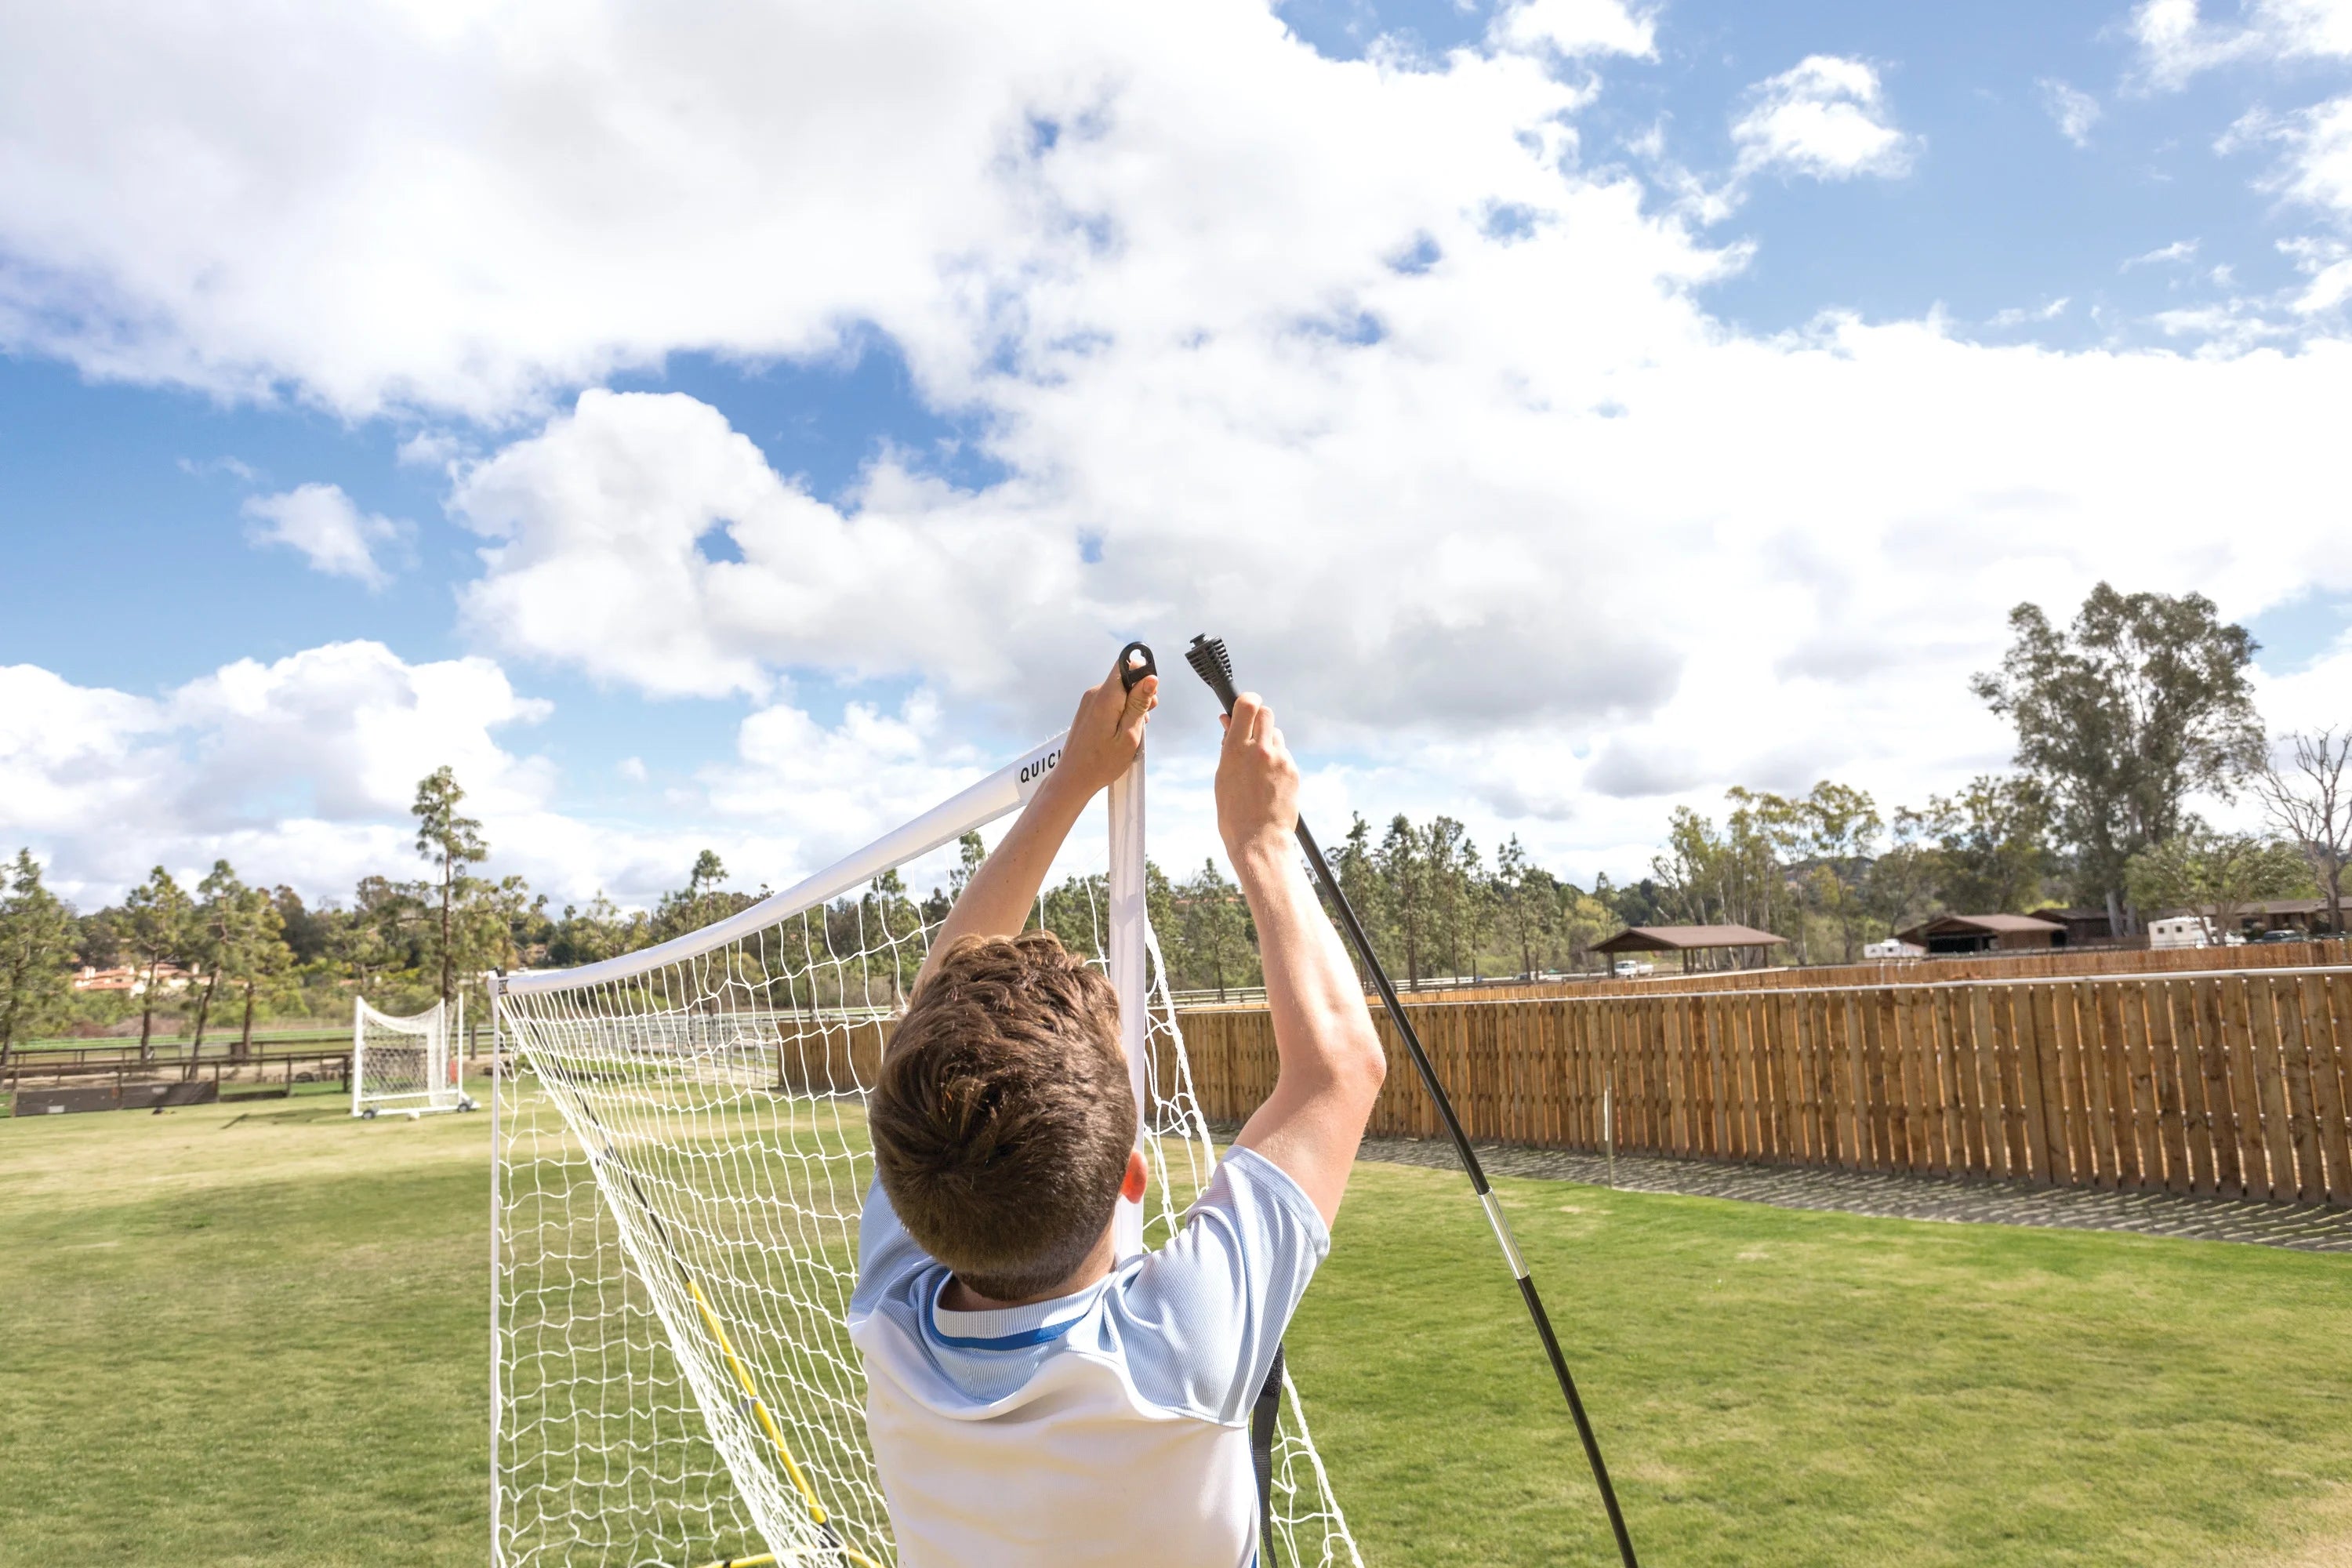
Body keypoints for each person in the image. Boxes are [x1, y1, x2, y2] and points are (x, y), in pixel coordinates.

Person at [848, 653, 1387, 1567]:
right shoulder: (1174, 1356)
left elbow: (1336, 1068)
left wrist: (1071, 783)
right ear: (1134, 1175)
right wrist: (1262, 840)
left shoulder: (891, 1320)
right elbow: (1342, 1067)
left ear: (907, 1194)